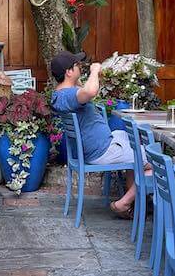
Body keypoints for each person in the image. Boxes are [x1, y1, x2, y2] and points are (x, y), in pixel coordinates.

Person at [50, 51, 139, 219]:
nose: (81, 67)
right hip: (102, 151)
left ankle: (134, 204)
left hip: (101, 146)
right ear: (69, 72)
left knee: (131, 141)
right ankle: (124, 203)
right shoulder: (68, 95)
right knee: (155, 162)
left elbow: (86, 88)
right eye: (77, 65)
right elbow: (90, 92)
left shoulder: (62, 94)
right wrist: (94, 71)